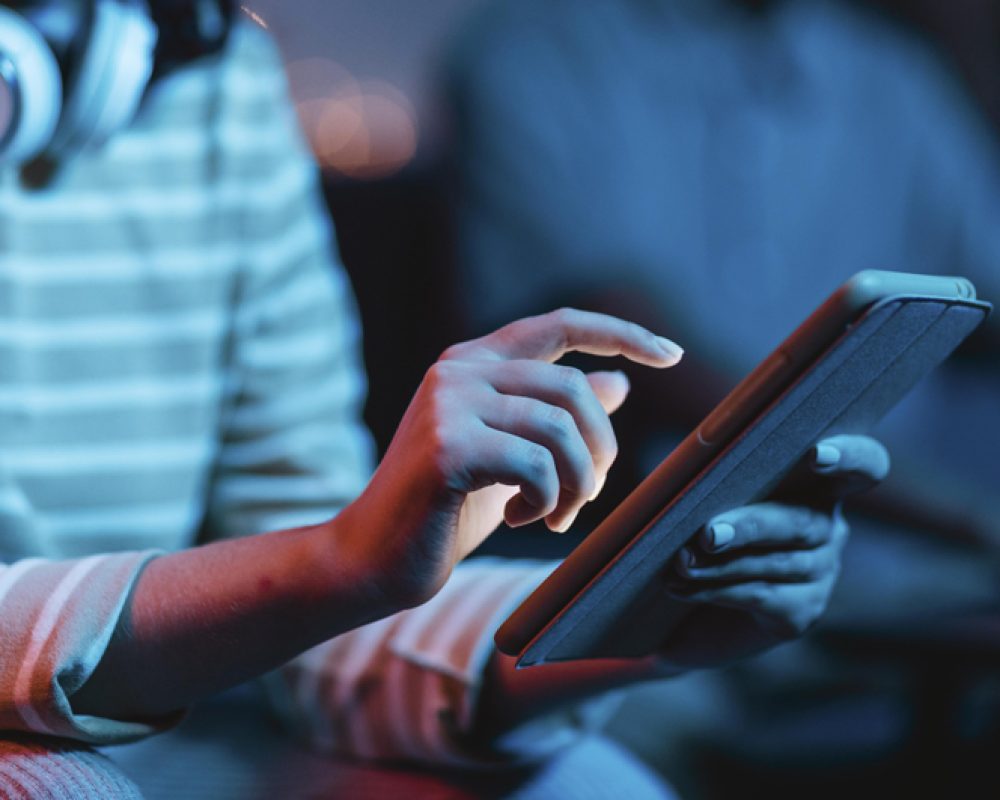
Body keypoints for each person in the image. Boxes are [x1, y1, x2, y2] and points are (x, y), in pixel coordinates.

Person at [0, 2, 889, 797]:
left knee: (591, 786)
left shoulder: (215, 71)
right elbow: (322, 569)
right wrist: (336, 561)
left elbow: (310, 615)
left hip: (198, 733)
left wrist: (630, 619)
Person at [447, 0, 1000, 789]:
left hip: (895, 586)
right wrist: (967, 517)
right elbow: (626, 348)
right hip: (629, 600)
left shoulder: (891, 73)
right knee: (589, 762)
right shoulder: (538, 53)